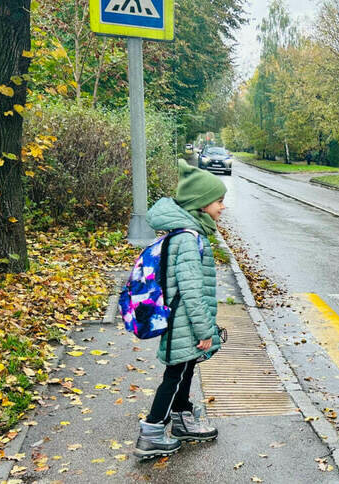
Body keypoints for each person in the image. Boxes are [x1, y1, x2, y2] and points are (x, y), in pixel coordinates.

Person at [134, 160, 225, 459]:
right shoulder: (189, 239)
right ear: (201, 204)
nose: (222, 207)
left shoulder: (187, 234)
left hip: (183, 321)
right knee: (174, 375)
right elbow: (191, 290)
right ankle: (151, 434)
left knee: (184, 369)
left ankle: (182, 417)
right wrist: (204, 330)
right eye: (219, 201)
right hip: (185, 321)